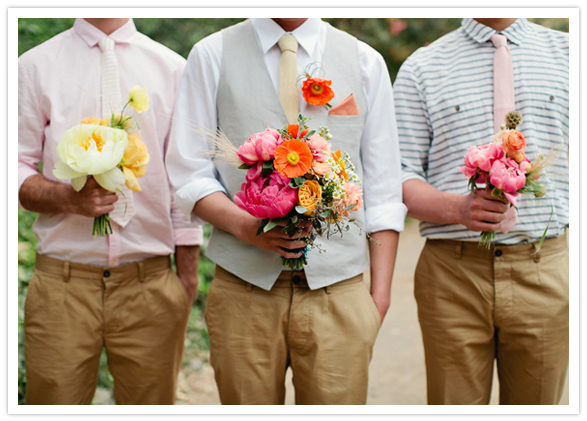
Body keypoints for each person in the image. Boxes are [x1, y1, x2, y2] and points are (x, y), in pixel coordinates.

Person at [166, 18, 407, 404]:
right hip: (244, 293)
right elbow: (187, 172)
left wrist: (378, 297)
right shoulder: (212, 54)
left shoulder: (364, 61)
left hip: (339, 293)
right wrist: (245, 227)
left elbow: (382, 187)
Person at [18, 18, 203, 405]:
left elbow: (184, 180)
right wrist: (67, 198)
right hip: (62, 288)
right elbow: (14, 165)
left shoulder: (173, 68)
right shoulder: (33, 66)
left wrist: (185, 281)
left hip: (151, 285)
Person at [394, 18, 569, 405]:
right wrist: (457, 207)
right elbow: (398, 175)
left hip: (545, 268)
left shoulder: (572, 55)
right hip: (452, 277)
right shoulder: (422, 68)